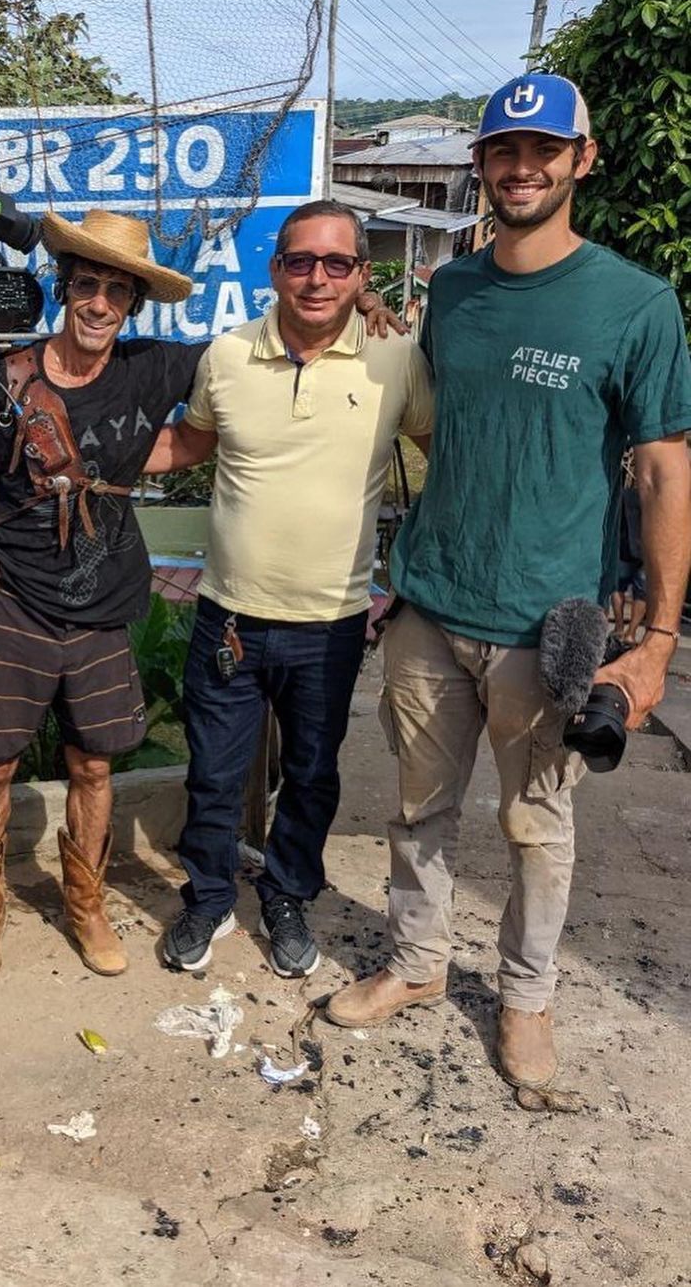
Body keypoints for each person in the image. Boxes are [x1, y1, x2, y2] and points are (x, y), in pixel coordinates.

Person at [325, 75, 691, 1090]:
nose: (520, 168)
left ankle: (527, 997)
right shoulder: (452, 288)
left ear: (585, 157)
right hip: (432, 604)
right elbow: (442, 420)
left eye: (542, 149)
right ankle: (418, 963)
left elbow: (664, 467)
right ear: (479, 165)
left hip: (549, 624)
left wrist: (657, 641)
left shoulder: (636, 303)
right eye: (502, 151)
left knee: (537, 827)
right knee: (416, 810)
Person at [142, 200, 433, 978]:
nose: (317, 278)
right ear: (275, 269)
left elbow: (442, 451)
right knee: (214, 771)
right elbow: (192, 442)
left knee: (311, 772)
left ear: (359, 274)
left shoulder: (394, 359)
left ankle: (287, 894)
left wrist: (417, 570)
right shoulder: (230, 355)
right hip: (229, 616)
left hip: (332, 624)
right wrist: (90, 459)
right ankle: (206, 899)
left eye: (337, 264)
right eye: (300, 261)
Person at [0, 211, 203, 983]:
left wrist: (364, 306)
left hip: (103, 608)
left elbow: (253, 358)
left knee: (93, 769)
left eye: (118, 291)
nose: (100, 303)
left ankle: (84, 903)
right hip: (12, 602)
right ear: (64, 287)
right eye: (88, 284)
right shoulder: (6, 380)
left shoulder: (153, 369)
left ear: (131, 305)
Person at [612, 453, 647, 644]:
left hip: (624, 546)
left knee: (618, 586)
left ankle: (619, 627)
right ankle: (631, 633)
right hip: (645, 548)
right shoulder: (650, 498)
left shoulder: (620, 496)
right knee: (641, 592)